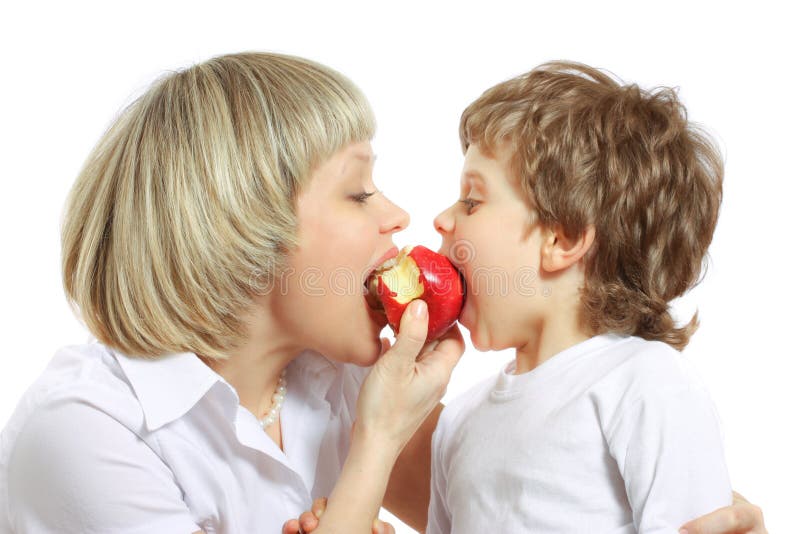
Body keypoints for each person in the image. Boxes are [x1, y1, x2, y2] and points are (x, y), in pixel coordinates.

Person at [286, 62, 770, 534]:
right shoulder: (463, 423)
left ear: (563, 238)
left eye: (472, 201)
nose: (441, 219)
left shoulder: (647, 385)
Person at [0, 51, 463, 533]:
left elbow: (513, 507)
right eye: (358, 194)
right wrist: (379, 438)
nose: (398, 215)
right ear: (245, 226)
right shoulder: (85, 431)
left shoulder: (334, 379)